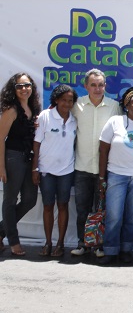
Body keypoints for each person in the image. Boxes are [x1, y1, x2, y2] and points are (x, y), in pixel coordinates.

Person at [98, 87, 133, 265]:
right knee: (114, 216)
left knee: (132, 217)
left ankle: (126, 250)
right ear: (127, 104)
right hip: (116, 174)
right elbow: (103, 149)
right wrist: (102, 177)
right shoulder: (115, 122)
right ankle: (110, 250)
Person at [70, 69, 122, 257]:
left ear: (105, 86)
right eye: (93, 85)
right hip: (82, 167)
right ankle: (83, 243)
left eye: (101, 85)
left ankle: (99, 245)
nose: (97, 88)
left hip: (105, 168)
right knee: (82, 209)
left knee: (102, 210)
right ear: (86, 86)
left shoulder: (114, 106)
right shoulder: (77, 105)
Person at [32, 84, 78, 257]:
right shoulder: (45, 116)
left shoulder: (74, 120)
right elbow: (36, 144)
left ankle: (60, 244)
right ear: (56, 100)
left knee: (63, 205)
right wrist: (34, 168)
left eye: (70, 100)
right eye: (63, 100)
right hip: (46, 170)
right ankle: (48, 242)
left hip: (66, 170)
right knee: (48, 206)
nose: (67, 103)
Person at [0, 73, 41, 256]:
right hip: (13, 157)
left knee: (30, 200)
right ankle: (14, 241)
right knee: (10, 200)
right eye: (19, 86)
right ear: (14, 89)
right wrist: (1, 166)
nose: (24, 89)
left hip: (28, 158)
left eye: (27, 85)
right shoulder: (12, 109)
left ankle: (1, 232)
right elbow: (1, 138)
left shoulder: (34, 107)